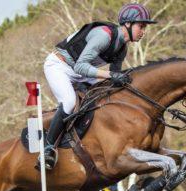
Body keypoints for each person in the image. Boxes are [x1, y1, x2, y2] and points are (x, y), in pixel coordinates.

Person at [40, 3, 157, 170]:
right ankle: (48, 147)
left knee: (108, 93)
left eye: (145, 27)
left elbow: (114, 80)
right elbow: (81, 67)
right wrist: (111, 76)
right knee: (69, 102)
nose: (143, 32)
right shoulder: (104, 35)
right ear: (128, 24)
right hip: (60, 66)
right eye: (141, 26)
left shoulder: (122, 47)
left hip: (80, 71)